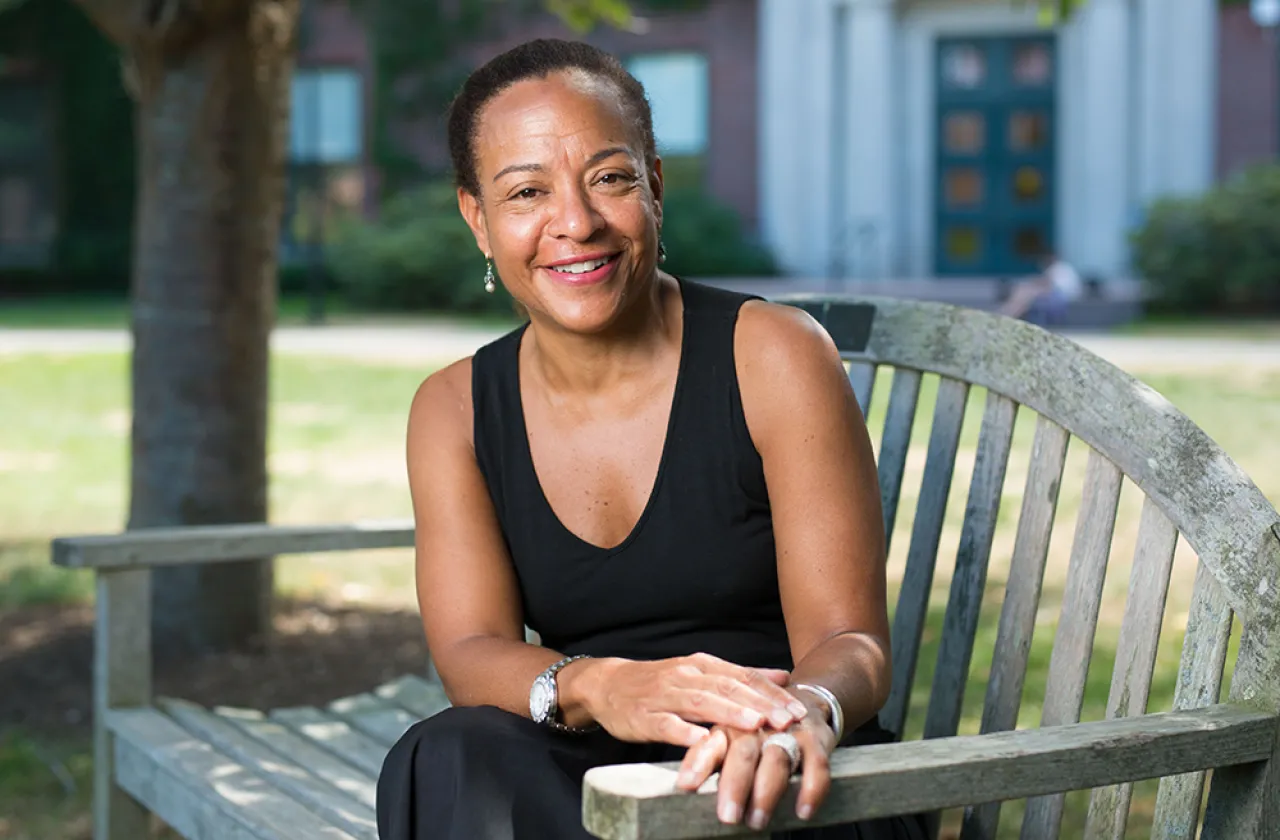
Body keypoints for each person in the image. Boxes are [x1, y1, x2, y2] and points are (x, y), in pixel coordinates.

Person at [376, 38, 927, 840]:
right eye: (526, 192)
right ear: (479, 220)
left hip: (778, 773)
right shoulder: (454, 408)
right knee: (445, 755)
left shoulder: (773, 356)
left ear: (655, 185)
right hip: (602, 775)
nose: (576, 222)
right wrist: (603, 688)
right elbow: (471, 649)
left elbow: (852, 642)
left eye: (609, 178)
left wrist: (796, 712)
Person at [998, 250, 1082, 326]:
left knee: (1026, 293)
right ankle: (1009, 312)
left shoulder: (1059, 268)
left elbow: (1048, 284)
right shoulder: (1058, 268)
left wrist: (1030, 284)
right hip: (1059, 296)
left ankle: (1008, 313)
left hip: (1061, 299)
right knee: (1025, 293)